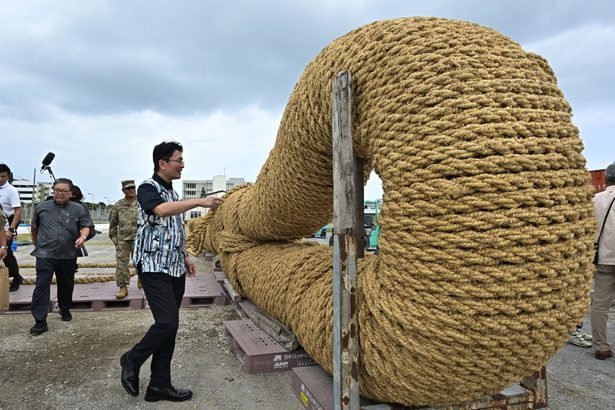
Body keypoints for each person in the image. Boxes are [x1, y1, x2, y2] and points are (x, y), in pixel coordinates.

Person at [120, 141, 221, 402]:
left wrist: (185, 256)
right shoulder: (146, 188)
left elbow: (173, 229)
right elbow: (160, 211)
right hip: (153, 266)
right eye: (178, 160)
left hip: (174, 266)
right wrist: (200, 200)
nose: (182, 164)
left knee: (169, 328)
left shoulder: (173, 193)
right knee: (167, 322)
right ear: (162, 163)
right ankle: (132, 358)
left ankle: (159, 385)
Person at [29, 178, 93, 335]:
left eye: (64, 191)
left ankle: (64, 308)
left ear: (70, 193)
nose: (60, 193)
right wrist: (36, 243)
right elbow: (34, 227)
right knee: (41, 285)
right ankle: (40, 320)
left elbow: (86, 226)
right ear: (53, 190)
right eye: (57, 190)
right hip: (45, 254)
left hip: (68, 254)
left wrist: (82, 238)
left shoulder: (78, 209)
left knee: (66, 284)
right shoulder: (41, 208)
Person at [591, 162, 615, 360]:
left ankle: (601, 347)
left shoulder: (595, 200)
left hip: (604, 259)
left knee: (600, 305)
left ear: (606, 179)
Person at [109, 180, 138, 299]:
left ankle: (142, 279)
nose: (131, 190)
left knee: (141, 262)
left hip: (139, 238)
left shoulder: (141, 203)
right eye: (128, 188)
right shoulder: (118, 205)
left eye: (132, 188)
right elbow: (113, 222)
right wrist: (114, 237)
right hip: (123, 240)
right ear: (123, 190)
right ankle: (123, 287)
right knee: (121, 264)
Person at [0, 164, 24, 292]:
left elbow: (18, 211)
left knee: (7, 253)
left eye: (3, 176)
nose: (0, 179)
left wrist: (11, 229)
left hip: (7, 223)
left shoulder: (11, 191)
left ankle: (16, 278)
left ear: (8, 176)